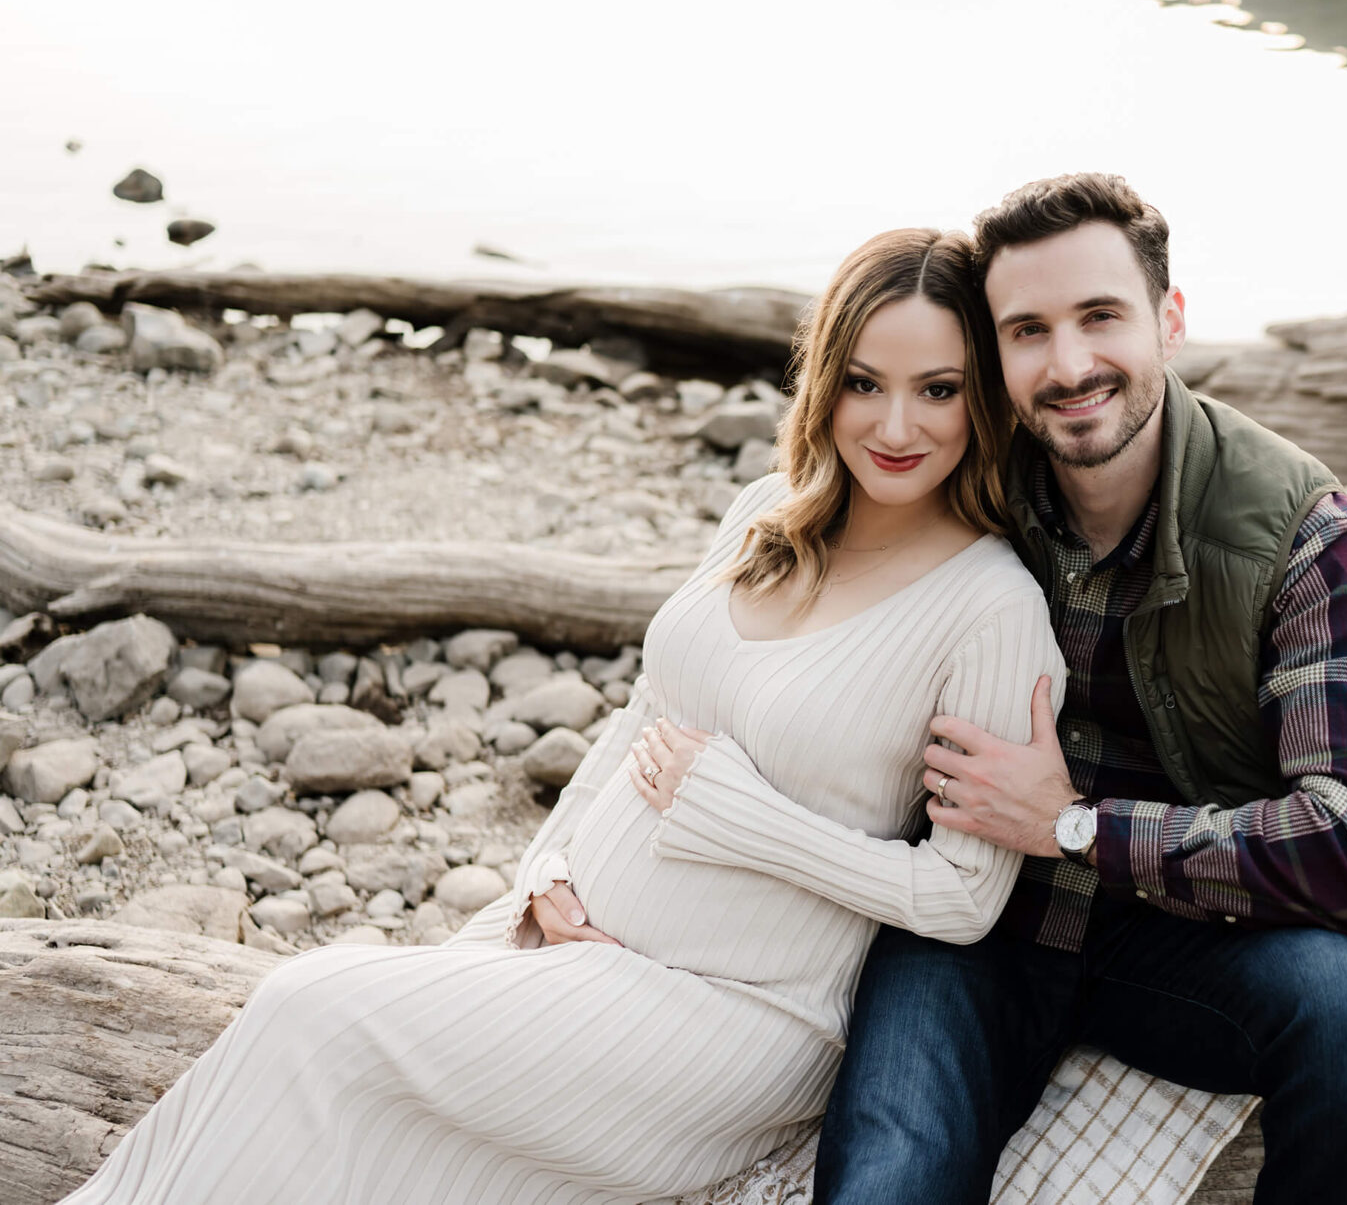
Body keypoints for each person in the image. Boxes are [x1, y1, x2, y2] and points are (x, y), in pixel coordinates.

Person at [56, 227, 1067, 1205]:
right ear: (824, 381)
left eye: (937, 390)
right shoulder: (767, 508)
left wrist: (741, 814)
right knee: (347, 1118)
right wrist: (546, 874)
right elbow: (640, 719)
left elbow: (961, 898)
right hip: (571, 934)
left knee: (309, 1011)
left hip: (735, 1017)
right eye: (863, 383)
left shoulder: (990, 608)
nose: (896, 427)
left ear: (982, 396)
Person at [812, 174, 1347, 1205]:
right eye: (1026, 330)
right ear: (993, 357)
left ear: (1170, 321)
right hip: (971, 924)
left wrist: (1072, 827)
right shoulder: (959, 474)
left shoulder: (1300, 532)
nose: (1068, 365)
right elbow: (761, 625)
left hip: (1184, 939)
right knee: (890, 1176)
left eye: (1100, 317)